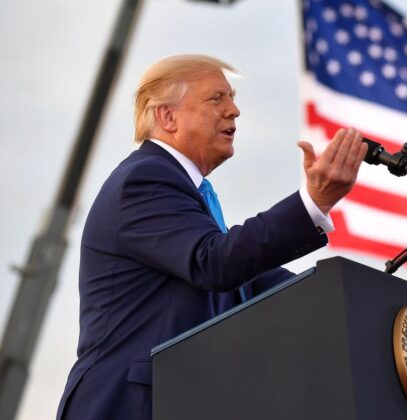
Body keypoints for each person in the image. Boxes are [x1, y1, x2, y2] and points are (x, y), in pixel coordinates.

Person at [56, 54, 367, 420]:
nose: (234, 110)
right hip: (130, 406)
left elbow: (249, 281)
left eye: (232, 98)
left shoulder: (190, 200)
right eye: (216, 98)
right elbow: (216, 262)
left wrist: (351, 306)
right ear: (167, 116)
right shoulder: (144, 179)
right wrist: (311, 204)